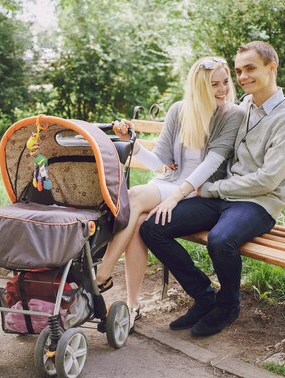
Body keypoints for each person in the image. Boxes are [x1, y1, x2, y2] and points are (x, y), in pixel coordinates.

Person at [139, 41, 285, 337]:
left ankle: (228, 306)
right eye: (239, 71)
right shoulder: (244, 107)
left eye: (250, 69)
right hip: (224, 197)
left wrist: (211, 189)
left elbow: (267, 180)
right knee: (153, 227)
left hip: (258, 204)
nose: (242, 77)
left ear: (272, 67)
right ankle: (204, 296)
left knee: (220, 239)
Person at [95, 56, 245, 332]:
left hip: (199, 190)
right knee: (139, 222)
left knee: (136, 196)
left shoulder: (231, 114)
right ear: (199, 88)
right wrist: (133, 143)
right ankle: (132, 305)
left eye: (226, 82)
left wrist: (177, 194)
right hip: (171, 182)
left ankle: (101, 276)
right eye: (215, 85)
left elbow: (213, 162)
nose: (224, 89)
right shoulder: (179, 111)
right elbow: (161, 162)